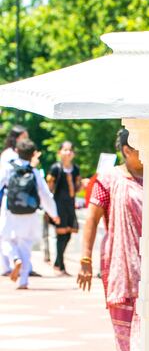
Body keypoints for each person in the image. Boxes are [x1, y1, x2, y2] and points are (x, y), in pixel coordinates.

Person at [77, 128, 143, 351]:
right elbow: (91, 220)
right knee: (125, 327)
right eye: (141, 147)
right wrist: (85, 260)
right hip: (120, 266)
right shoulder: (107, 180)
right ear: (126, 151)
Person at [0, 138, 60, 289]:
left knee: (6, 240)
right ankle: (24, 280)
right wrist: (54, 213)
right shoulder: (34, 172)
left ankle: (14, 258)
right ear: (33, 154)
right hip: (30, 213)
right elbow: (45, 194)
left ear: (17, 151)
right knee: (25, 245)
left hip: (10, 211)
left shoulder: (8, 168)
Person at [46, 141, 81, 274]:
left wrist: (82, 185)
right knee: (61, 236)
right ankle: (60, 266)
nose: (68, 152)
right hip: (59, 205)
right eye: (65, 150)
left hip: (70, 206)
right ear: (59, 152)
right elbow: (49, 187)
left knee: (68, 235)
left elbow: (76, 187)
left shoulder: (75, 169)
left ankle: (57, 262)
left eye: (70, 150)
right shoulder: (56, 168)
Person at [0, 124, 29, 275]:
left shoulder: (6, 155)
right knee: (22, 238)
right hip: (25, 202)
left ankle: (8, 264)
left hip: (8, 200)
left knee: (5, 235)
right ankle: (24, 269)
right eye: (24, 136)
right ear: (17, 138)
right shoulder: (20, 156)